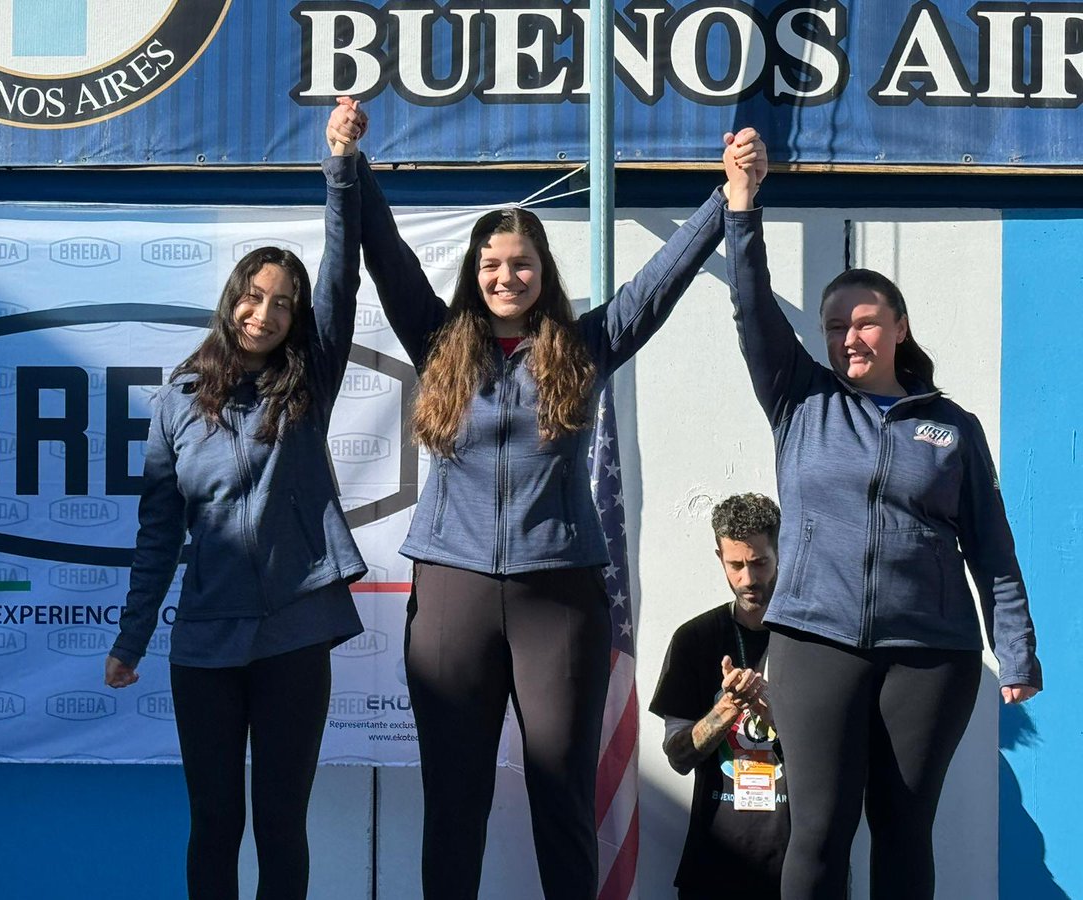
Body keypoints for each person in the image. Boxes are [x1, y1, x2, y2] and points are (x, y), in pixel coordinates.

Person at [326, 100, 759, 899]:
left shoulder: (583, 348)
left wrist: (727, 195)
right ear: (474, 272)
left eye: (521, 264)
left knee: (562, 796)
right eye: (492, 265)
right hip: (451, 596)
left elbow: (656, 288)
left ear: (542, 272)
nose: (506, 277)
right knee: (456, 802)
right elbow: (382, 253)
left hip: (557, 599)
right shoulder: (438, 339)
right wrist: (347, 164)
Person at [721, 129, 1043, 899]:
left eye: (864, 321)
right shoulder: (800, 398)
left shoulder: (950, 426)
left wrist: (1017, 649)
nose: (849, 337)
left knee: (904, 832)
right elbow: (749, 304)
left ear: (898, 328)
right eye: (835, 327)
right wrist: (741, 204)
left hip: (930, 654)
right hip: (814, 640)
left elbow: (990, 546)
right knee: (820, 832)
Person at [103, 111, 369, 900]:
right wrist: (131, 640)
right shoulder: (175, 402)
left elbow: (341, 278)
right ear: (231, 301)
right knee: (215, 825)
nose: (266, 313)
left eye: (282, 303)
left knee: (281, 824)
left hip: (294, 636)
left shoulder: (308, 383)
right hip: (206, 647)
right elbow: (158, 539)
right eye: (254, 297)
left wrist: (340, 164)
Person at [650, 492, 789, 900]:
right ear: (720, 558)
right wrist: (726, 710)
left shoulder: (816, 642)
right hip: (714, 864)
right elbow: (678, 757)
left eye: (759, 562)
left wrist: (772, 711)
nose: (748, 578)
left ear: (781, 552)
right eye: (736, 565)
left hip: (799, 864)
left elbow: (843, 756)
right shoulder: (695, 639)